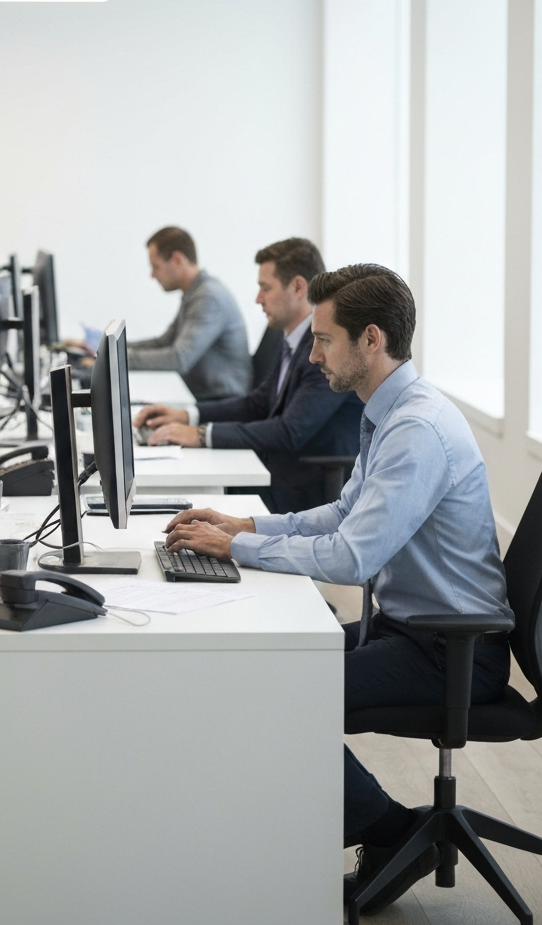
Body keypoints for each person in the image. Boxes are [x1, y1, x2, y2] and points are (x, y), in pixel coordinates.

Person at [159, 264, 510, 913]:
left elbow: (352, 555)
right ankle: (350, 832)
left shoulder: (416, 430)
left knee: (280, 695)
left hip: (451, 650)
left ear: (371, 340)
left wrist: (236, 548)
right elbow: (345, 513)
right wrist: (247, 525)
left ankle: (394, 833)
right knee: (260, 670)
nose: (312, 355)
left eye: (323, 340)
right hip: (408, 629)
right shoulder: (391, 412)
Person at [134, 238, 362, 513]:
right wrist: (187, 415)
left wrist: (201, 435)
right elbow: (257, 402)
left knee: (188, 499)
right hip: (278, 469)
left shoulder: (322, 350)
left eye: (265, 288)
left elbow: (289, 431)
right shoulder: (293, 340)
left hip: (305, 487)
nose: (258, 299)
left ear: (298, 287)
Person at [125, 226, 251, 402]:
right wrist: (115, 350)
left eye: (155, 267)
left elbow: (179, 359)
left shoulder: (209, 297)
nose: (152, 275)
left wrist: (118, 361)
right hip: (204, 395)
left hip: (222, 401)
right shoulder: (195, 292)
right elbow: (165, 342)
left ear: (177, 259)